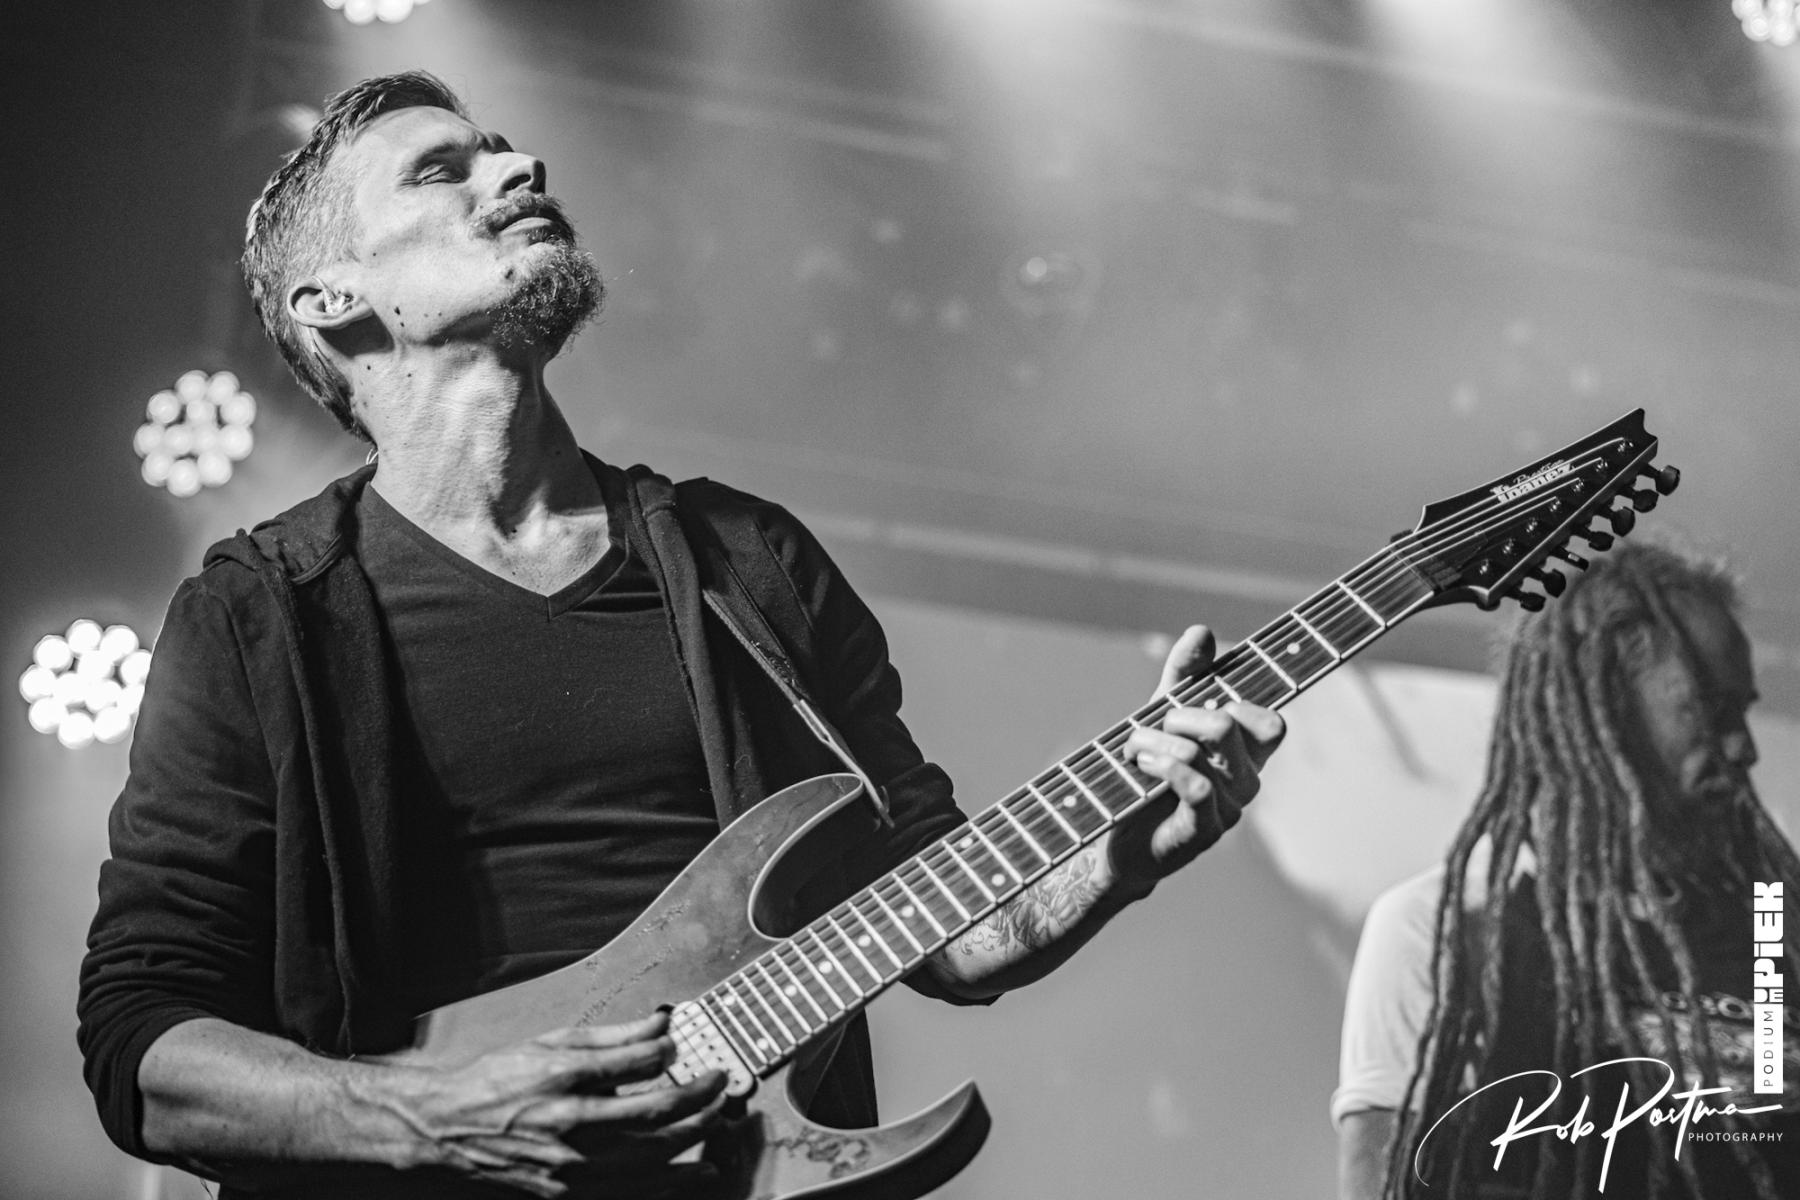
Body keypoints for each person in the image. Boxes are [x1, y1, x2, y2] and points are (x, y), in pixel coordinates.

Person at [76, 71, 1285, 1198]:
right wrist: (433, 1115)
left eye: (503, 149)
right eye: (443, 170)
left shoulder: (747, 565)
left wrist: (1126, 845)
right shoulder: (261, 617)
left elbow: (951, 931)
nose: (521, 167)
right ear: (331, 300)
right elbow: (144, 1039)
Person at [1334, 543, 1800, 1199]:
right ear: (1604, 712)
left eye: (1742, 712)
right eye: (1710, 711)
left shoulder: (1779, 930)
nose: (1743, 748)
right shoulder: (1445, 929)